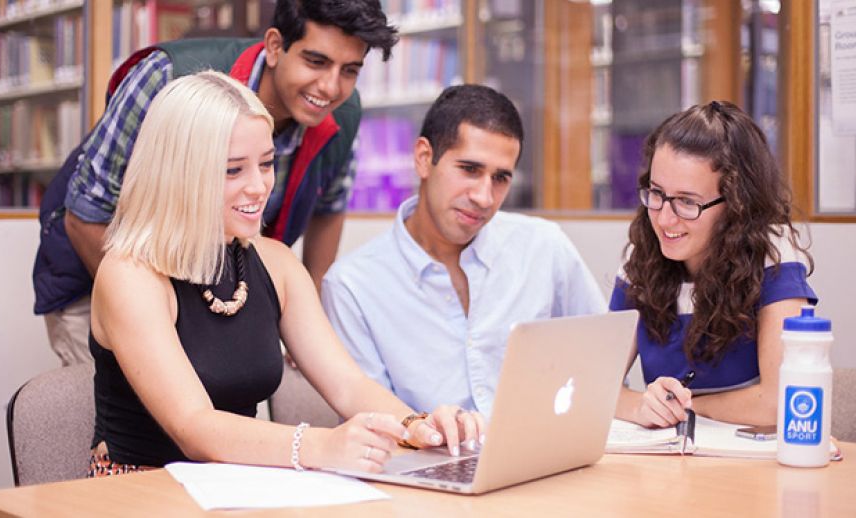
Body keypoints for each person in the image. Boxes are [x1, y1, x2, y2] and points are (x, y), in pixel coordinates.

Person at [88, 71, 482, 476]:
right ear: (180, 174)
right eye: (233, 170)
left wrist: (418, 428)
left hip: (235, 483)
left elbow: (348, 385)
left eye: (266, 163)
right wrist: (321, 444)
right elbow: (194, 427)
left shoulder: (275, 264)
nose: (260, 187)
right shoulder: (129, 275)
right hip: (139, 489)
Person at [33, 0, 398, 365]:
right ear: (275, 46)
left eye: (349, 70)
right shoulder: (165, 77)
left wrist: (311, 314)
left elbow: (328, 208)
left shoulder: (342, 113)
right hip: (102, 276)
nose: (331, 87)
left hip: (222, 296)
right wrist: (159, 319)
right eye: (315, 62)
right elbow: (85, 215)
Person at [320, 85, 606, 417]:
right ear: (424, 159)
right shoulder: (352, 287)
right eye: (470, 170)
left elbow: (602, 365)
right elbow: (374, 429)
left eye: (500, 178)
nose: (484, 197)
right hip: (422, 464)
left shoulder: (544, 247)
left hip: (547, 460)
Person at [610, 100, 817, 428]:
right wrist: (642, 407)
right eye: (657, 193)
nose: (664, 219)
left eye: (687, 202)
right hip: (663, 465)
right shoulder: (641, 258)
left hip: (747, 465)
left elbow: (779, 401)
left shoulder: (773, 254)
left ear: (736, 205)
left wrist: (687, 407)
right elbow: (596, 387)